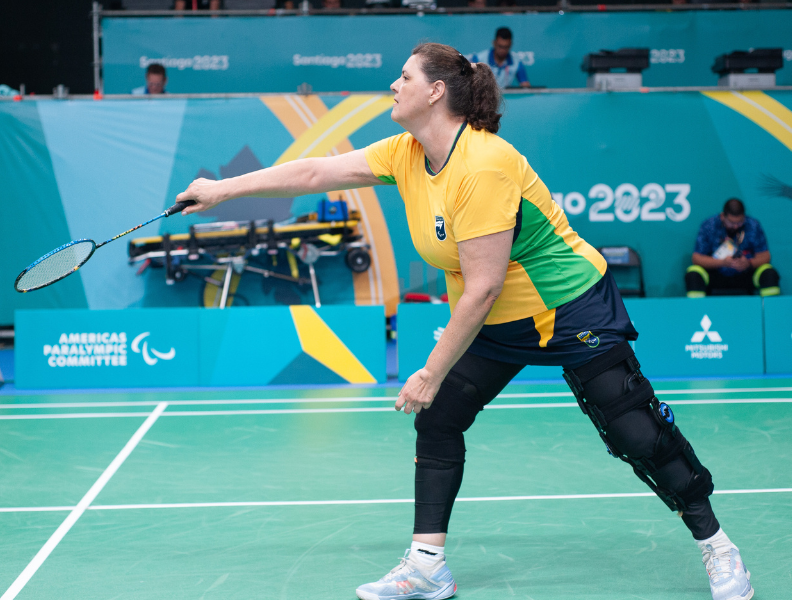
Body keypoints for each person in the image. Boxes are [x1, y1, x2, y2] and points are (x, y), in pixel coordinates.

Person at [176, 42, 753, 600]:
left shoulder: (483, 163)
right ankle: (427, 566)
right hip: (498, 321)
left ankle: (717, 544)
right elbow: (313, 175)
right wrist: (222, 190)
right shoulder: (406, 152)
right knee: (440, 419)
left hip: (569, 307)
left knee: (635, 431)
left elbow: (482, 287)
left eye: (404, 77)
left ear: (435, 91)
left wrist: (427, 371)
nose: (393, 86)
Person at [686, 198, 780, 298]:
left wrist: (748, 263)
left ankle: (771, 311)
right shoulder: (709, 225)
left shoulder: (753, 225)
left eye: (739, 222)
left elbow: (765, 256)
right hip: (717, 273)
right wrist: (722, 263)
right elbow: (696, 258)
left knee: (769, 272)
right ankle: (697, 311)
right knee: (693, 273)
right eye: (731, 222)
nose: (735, 226)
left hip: (745, 274)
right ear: (723, 216)